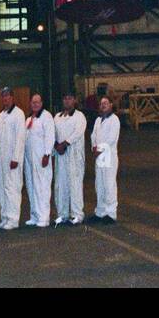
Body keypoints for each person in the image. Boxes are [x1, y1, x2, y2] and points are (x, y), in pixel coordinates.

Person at [0, 87, 26, 230]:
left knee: (12, 188)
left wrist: (16, 158)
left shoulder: (19, 114)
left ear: (12, 97)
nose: (5, 99)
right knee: (2, 188)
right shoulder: (0, 115)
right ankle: (5, 217)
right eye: (3, 96)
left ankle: (13, 219)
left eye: (8, 96)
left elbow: (20, 138)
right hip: (0, 158)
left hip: (12, 159)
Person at [53, 90, 86, 225]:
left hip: (74, 155)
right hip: (60, 155)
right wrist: (56, 145)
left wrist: (65, 144)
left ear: (74, 100)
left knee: (75, 184)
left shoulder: (79, 116)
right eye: (65, 98)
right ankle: (63, 214)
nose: (67, 101)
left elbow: (78, 132)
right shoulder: (57, 117)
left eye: (70, 98)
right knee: (60, 185)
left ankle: (77, 214)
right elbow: (52, 133)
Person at [24, 92, 55, 227]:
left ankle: (44, 217)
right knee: (31, 186)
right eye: (33, 102)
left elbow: (50, 136)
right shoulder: (29, 119)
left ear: (42, 103)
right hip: (29, 159)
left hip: (41, 157)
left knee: (42, 187)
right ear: (30, 104)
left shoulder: (46, 117)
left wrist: (47, 154)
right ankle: (35, 215)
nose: (35, 104)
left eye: (38, 102)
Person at [89, 95, 120, 224]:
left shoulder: (114, 120)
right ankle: (100, 212)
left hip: (109, 155)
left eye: (106, 103)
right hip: (99, 156)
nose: (103, 105)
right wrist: (94, 147)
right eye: (101, 103)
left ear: (111, 105)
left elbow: (111, 138)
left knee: (109, 184)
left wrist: (99, 148)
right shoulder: (98, 120)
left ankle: (110, 213)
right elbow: (93, 136)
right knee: (99, 184)